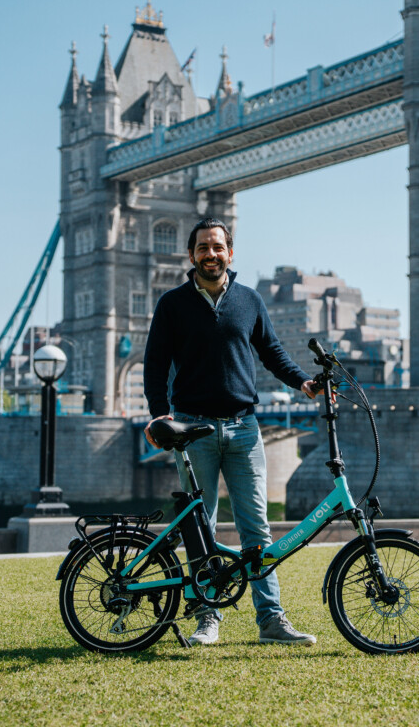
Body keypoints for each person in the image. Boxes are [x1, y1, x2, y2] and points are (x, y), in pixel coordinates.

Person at [143, 216, 320, 647]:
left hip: (245, 428)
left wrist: (302, 382)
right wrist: (158, 415)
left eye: (218, 247)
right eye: (203, 247)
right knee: (201, 528)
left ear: (230, 253)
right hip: (193, 429)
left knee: (257, 530)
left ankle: (271, 620)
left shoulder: (250, 300)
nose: (211, 254)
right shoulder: (172, 304)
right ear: (192, 255)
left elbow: (272, 351)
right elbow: (154, 363)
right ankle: (208, 617)